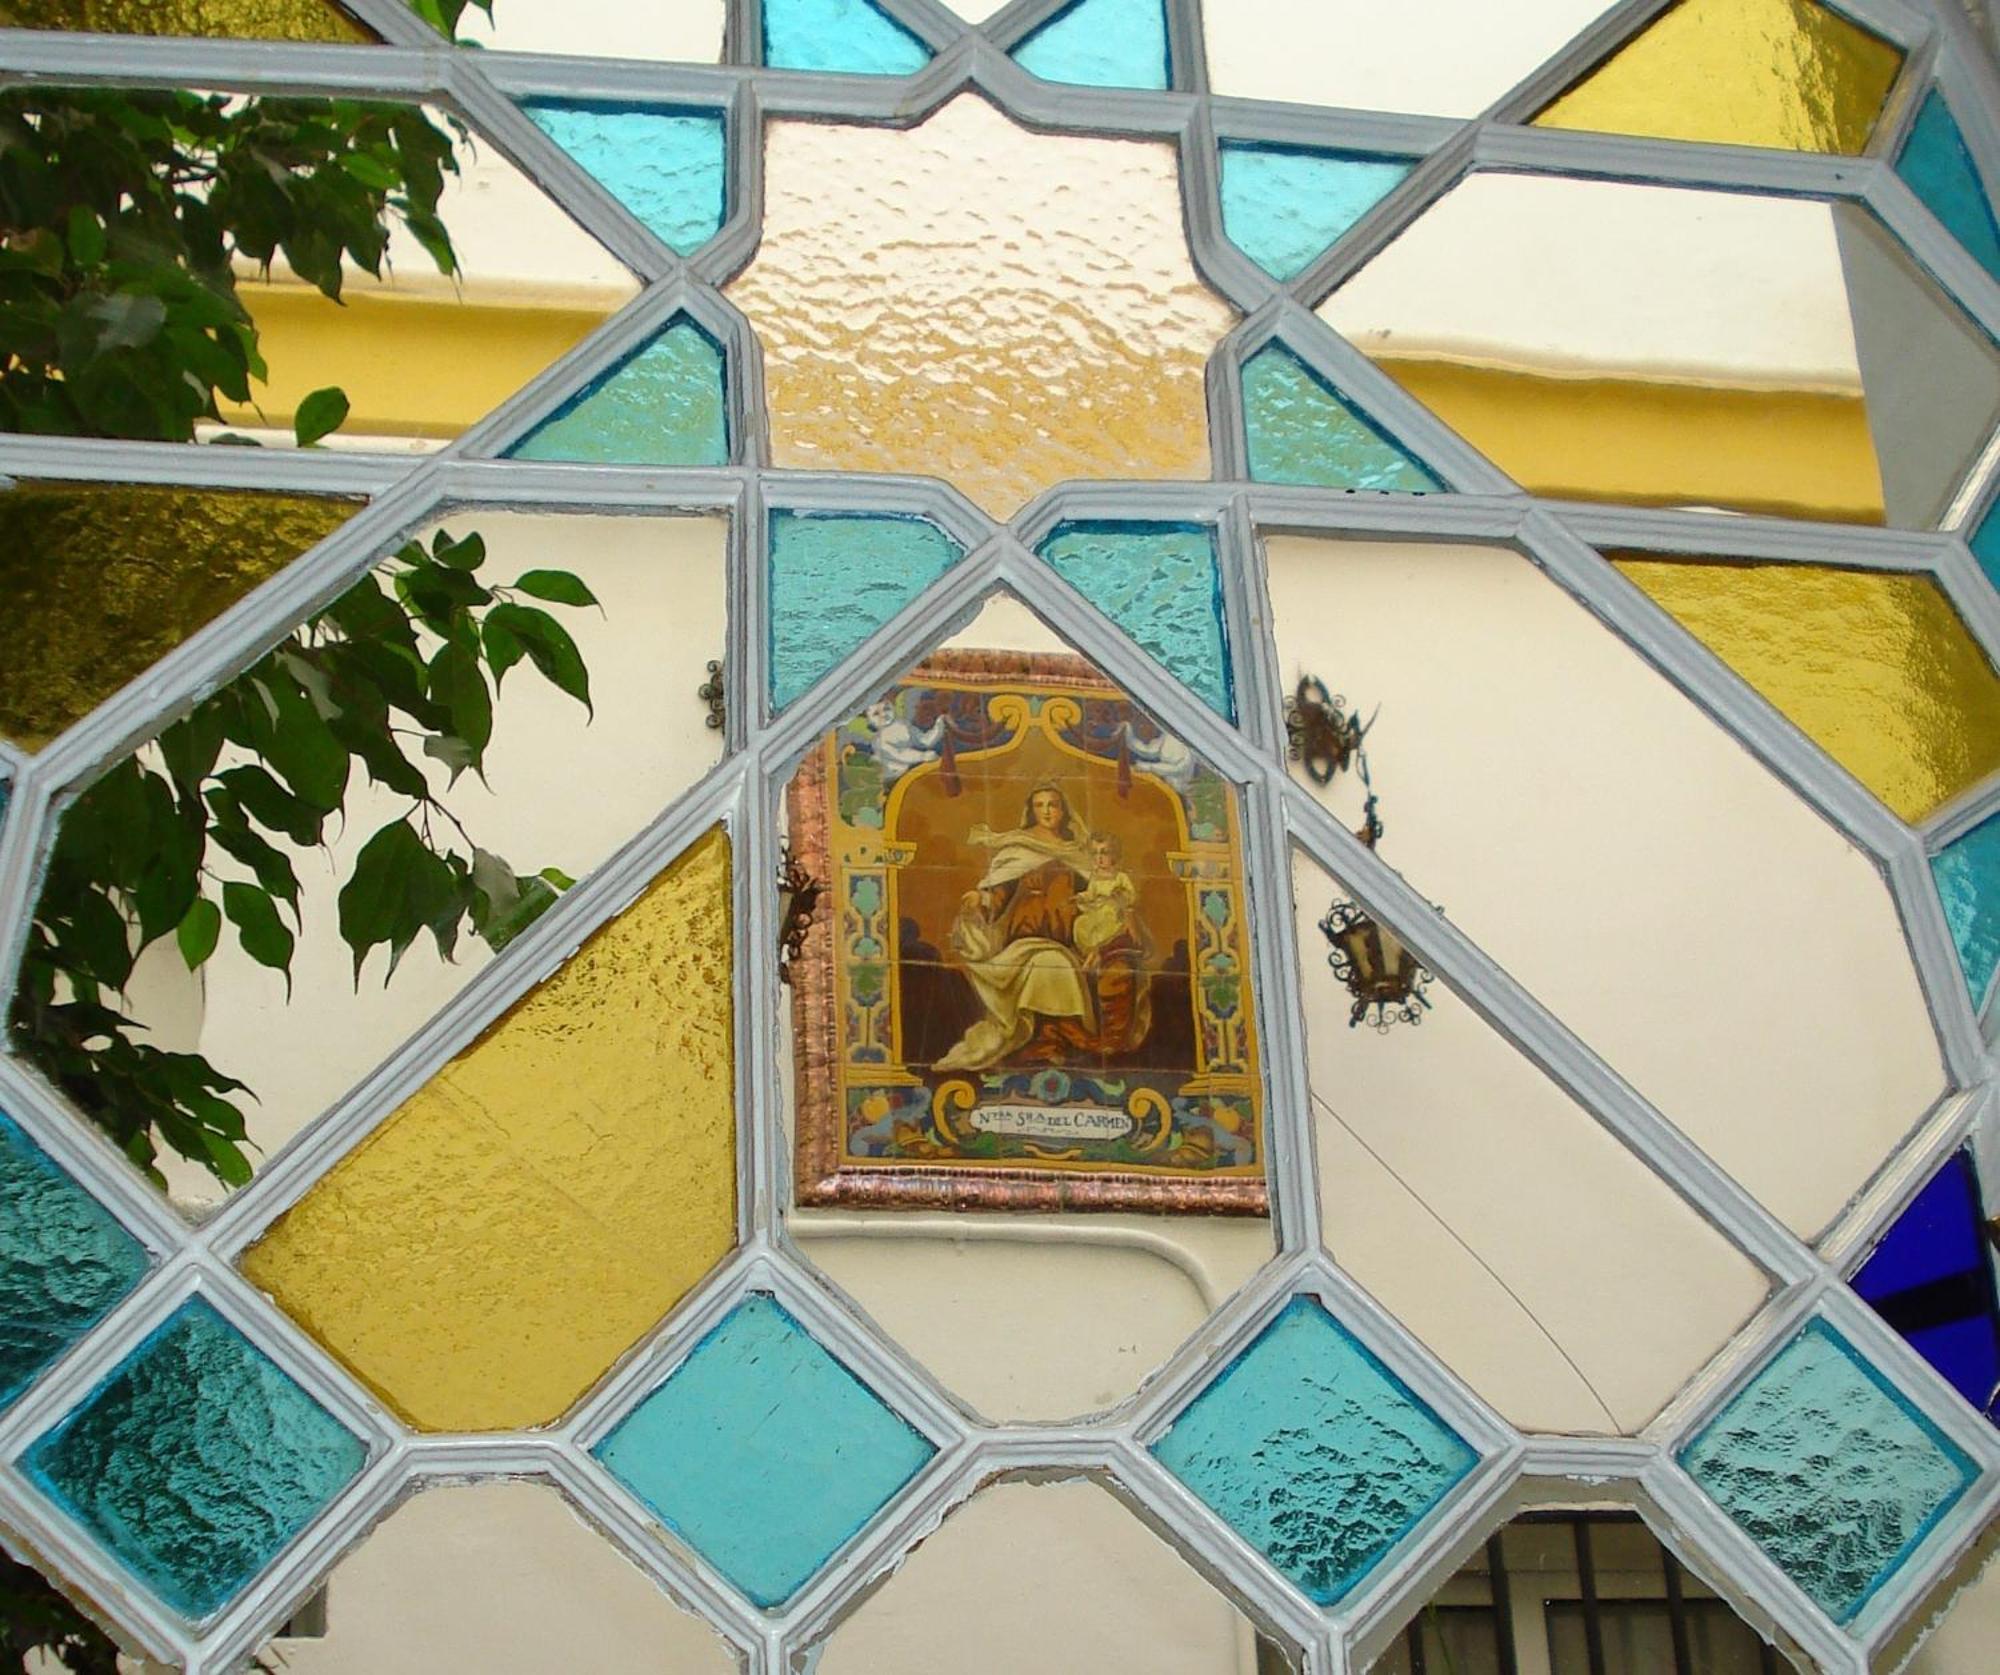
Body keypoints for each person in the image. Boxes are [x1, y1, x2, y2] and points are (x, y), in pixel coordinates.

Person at [933, 783, 1151, 1072]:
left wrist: (1106, 932)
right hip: (1027, 941)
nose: (1047, 811)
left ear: (1063, 811)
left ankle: (1063, 1041)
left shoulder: (1078, 852)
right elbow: (998, 894)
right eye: (1040, 805)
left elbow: (1101, 896)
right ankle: (1045, 1041)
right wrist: (980, 898)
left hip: (1071, 942)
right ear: (1031, 811)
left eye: (1053, 804)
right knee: (1049, 963)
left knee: (1073, 963)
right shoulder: (1019, 849)